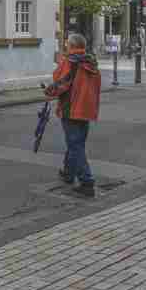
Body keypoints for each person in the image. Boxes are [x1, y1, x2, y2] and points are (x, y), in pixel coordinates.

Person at [45, 33, 102, 198]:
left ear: (71, 46)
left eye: (67, 44)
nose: (65, 46)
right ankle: (69, 173)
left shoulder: (70, 62)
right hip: (87, 109)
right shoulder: (91, 63)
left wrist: (49, 91)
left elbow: (61, 83)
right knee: (77, 142)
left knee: (75, 145)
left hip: (71, 109)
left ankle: (87, 182)